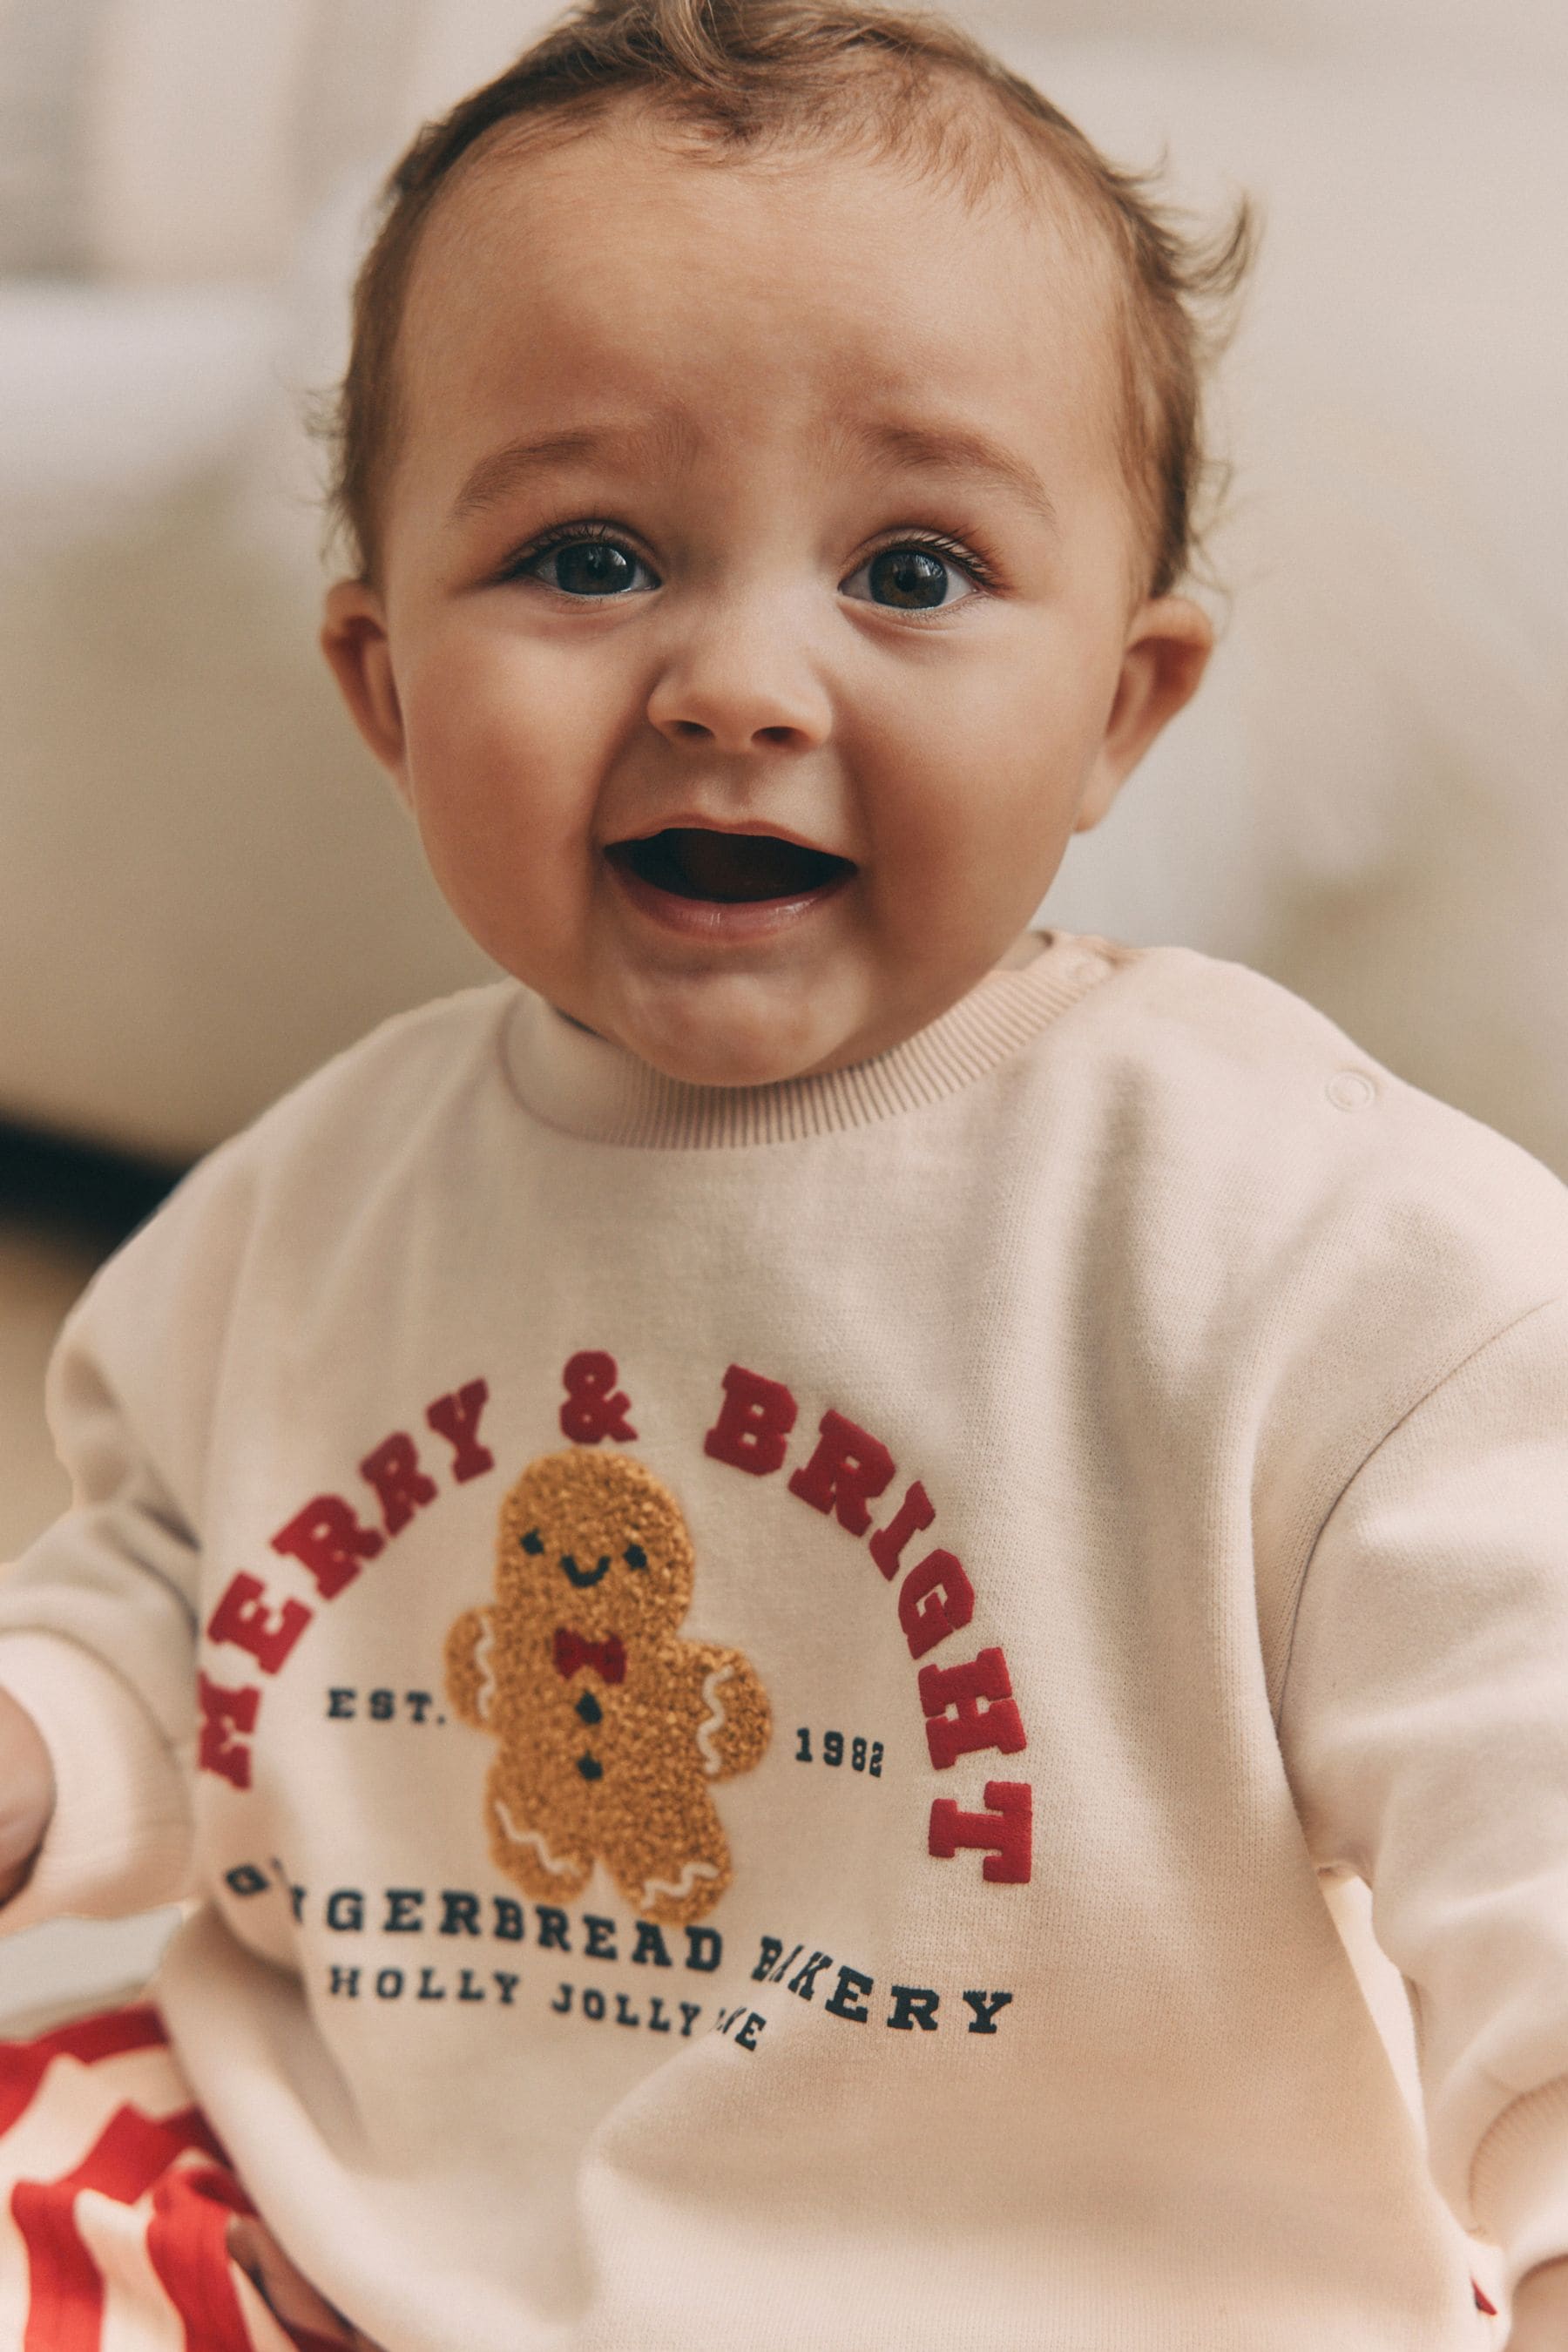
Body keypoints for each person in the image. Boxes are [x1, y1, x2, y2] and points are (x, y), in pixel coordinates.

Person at [0, 0, 1565, 2344]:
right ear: (384, 683)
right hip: (373, 2204)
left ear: (1123, 705)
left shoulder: (1313, 1251)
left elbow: (1525, 1791)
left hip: (1070, 2282)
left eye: (915, 571)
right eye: (592, 551)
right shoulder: (321, 1195)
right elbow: (179, 1580)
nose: (739, 676)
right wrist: (44, 1744)